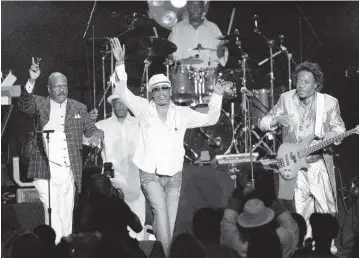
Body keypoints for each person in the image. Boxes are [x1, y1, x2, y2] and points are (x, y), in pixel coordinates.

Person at [108, 37, 225, 255]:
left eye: (165, 88)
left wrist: (217, 93)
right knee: (160, 214)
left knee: (168, 222)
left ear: (170, 91)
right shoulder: (143, 108)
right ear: (151, 93)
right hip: (149, 173)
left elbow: (211, 118)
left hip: (174, 176)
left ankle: (161, 253)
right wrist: (120, 63)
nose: (162, 92)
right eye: (157, 89)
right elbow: (122, 91)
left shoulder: (182, 114)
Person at [17, 58, 104, 244]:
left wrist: (97, 136)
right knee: (53, 215)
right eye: (57, 86)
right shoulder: (40, 104)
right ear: (49, 89)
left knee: (67, 217)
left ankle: (66, 250)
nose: (61, 89)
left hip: (69, 171)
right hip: (45, 170)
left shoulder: (78, 108)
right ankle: (55, 250)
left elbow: (92, 130)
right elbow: (24, 105)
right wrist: (31, 80)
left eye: (64, 85)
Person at [259, 61, 346, 243]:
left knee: (326, 210)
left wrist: (332, 134)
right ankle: (306, 247)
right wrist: (276, 120)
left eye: (306, 82)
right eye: (298, 81)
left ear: (316, 84)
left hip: (319, 163)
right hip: (295, 165)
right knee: (300, 211)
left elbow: (339, 129)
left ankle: (326, 248)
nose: (301, 85)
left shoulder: (329, 103)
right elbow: (263, 123)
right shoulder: (286, 99)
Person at [90, 94, 146, 240]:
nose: (121, 106)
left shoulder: (139, 123)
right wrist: (88, 123)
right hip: (111, 186)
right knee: (111, 230)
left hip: (135, 182)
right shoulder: (101, 125)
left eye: (124, 102)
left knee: (138, 229)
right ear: (112, 105)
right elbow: (86, 141)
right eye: (117, 103)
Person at [168, 0, 228, 69]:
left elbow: (221, 56)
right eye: (192, 6)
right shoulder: (177, 28)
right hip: (182, 74)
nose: (195, 9)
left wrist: (224, 47)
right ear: (187, 8)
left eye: (198, 6)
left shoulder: (213, 28)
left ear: (203, 8)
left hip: (208, 75)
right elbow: (170, 53)